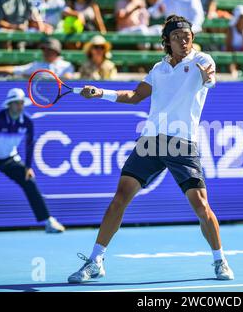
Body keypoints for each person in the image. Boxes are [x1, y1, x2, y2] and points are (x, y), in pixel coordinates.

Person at [67, 15, 234, 283]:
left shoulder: (202, 60)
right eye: (178, 37)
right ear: (167, 41)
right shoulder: (158, 70)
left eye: (188, 36)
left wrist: (207, 75)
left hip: (182, 144)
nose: (184, 40)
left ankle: (220, 260)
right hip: (151, 142)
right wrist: (101, 92)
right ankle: (96, 260)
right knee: (120, 197)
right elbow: (134, 96)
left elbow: (209, 78)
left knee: (201, 206)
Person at [0, 88, 66, 233]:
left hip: (8, 158)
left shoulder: (27, 122)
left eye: (21, 103)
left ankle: (49, 221)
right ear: (9, 104)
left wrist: (28, 167)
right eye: (17, 103)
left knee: (29, 181)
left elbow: (29, 144)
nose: (20, 106)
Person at [0, 38, 75, 79]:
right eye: (44, 50)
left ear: (56, 52)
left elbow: (70, 80)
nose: (46, 52)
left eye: (49, 50)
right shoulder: (36, 65)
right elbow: (16, 69)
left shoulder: (67, 66)